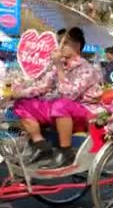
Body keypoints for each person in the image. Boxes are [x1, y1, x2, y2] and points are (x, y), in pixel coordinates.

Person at [11, 27, 103, 168]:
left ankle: (65, 151)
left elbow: (69, 95)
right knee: (23, 103)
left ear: (77, 45)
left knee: (61, 104)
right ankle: (40, 144)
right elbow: (43, 86)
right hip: (59, 110)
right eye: (60, 42)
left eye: (65, 43)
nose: (60, 46)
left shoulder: (88, 69)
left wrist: (59, 67)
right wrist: (18, 93)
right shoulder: (58, 65)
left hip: (84, 112)